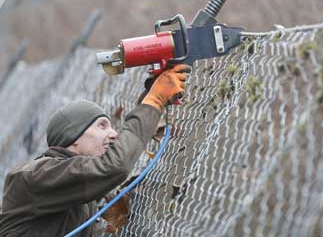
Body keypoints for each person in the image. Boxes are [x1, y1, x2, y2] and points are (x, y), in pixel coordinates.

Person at [0, 64, 190, 237]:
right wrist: (154, 100)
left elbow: (118, 158)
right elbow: (114, 166)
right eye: (102, 126)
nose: (114, 134)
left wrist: (151, 105)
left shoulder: (80, 189)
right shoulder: (35, 176)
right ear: (73, 137)